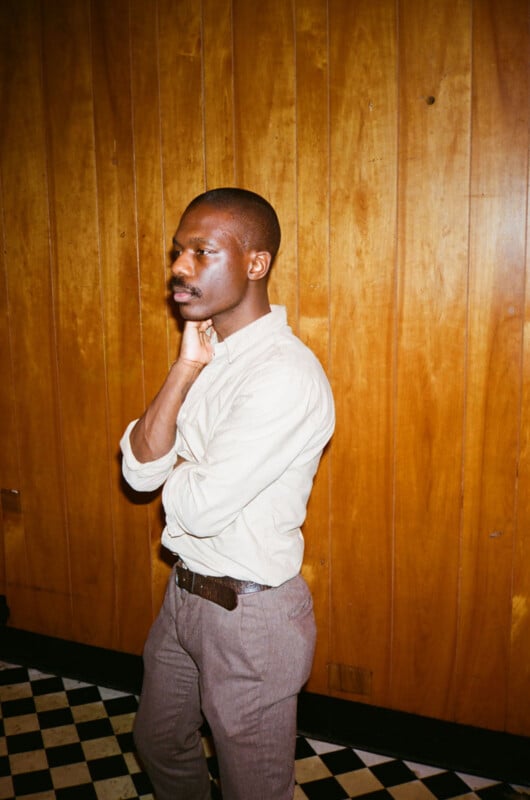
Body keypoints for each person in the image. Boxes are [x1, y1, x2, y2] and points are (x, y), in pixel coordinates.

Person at [120, 187, 335, 800]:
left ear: (255, 264)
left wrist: (177, 467)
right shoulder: (211, 355)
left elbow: (191, 504)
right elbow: (140, 473)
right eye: (177, 252)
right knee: (159, 743)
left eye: (201, 252)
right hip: (185, 596)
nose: (179, 269)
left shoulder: (284, 375)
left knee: (255, 790)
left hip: (251, 617)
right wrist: (185, 368)